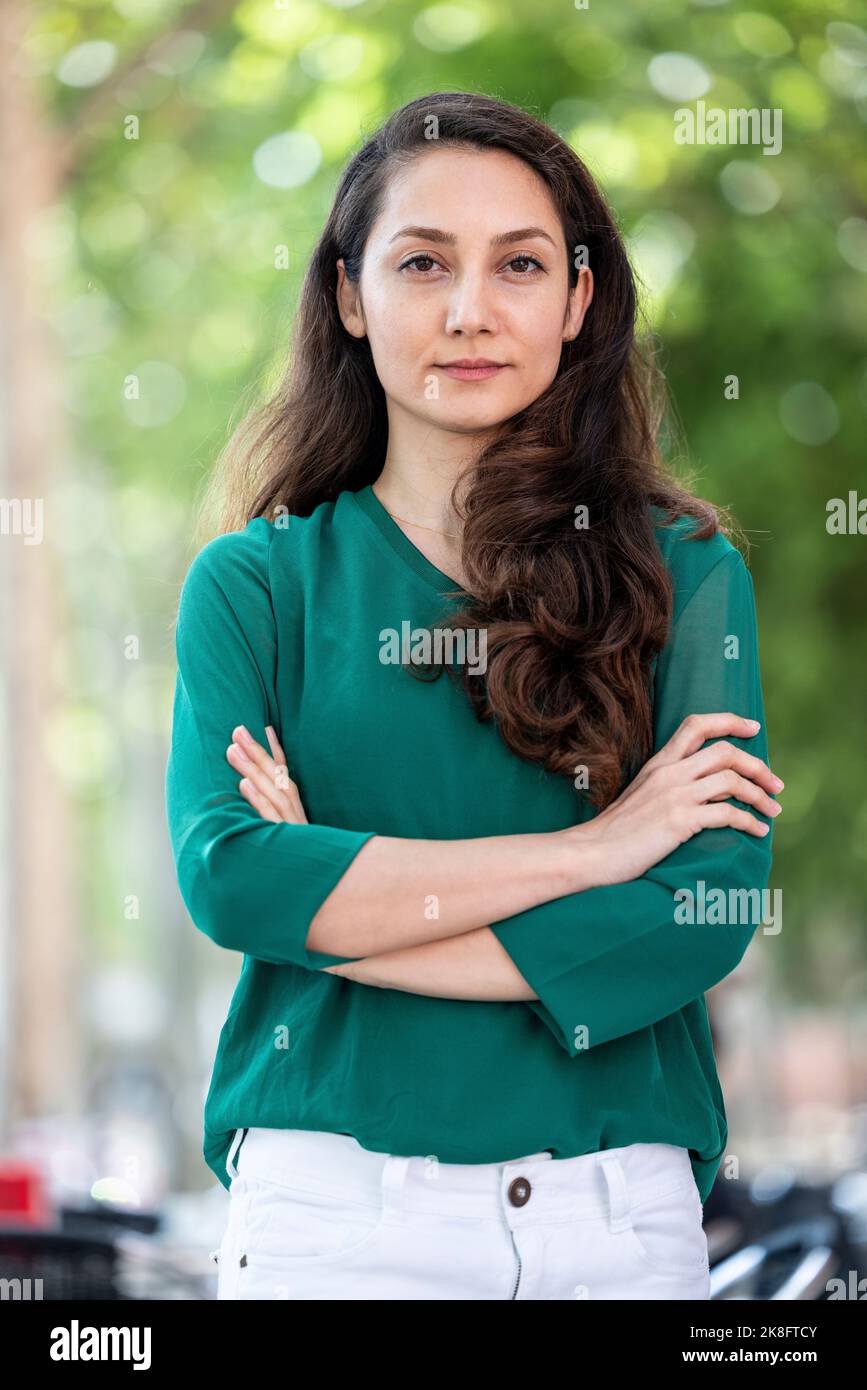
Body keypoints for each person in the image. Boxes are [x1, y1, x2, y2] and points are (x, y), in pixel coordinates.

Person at [164, 90, 781, 1301]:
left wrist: (342, 912)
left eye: (520, 265)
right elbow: (233, 874)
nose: (468, 311)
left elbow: (700, 911)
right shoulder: (256, 583)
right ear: (350, 295)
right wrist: (599, 851)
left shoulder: (689, 578)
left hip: (615, 1225)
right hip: (331, 1219)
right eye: (421, 262)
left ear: (578, 299)